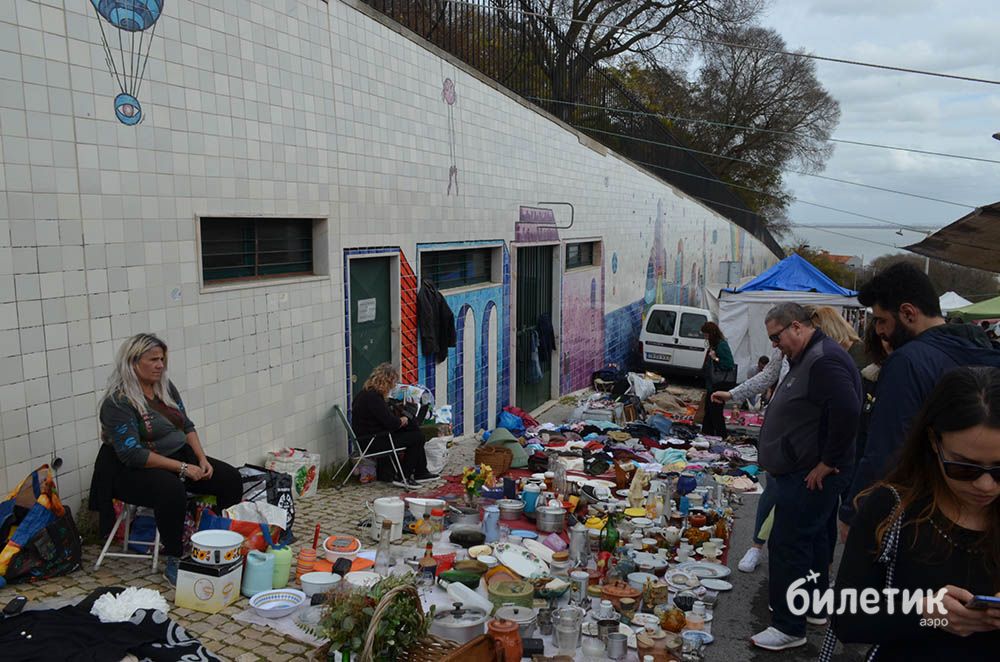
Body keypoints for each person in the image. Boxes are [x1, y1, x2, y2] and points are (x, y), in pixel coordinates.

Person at [831, 366, 1000, 658]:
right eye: (963, 467)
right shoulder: (891, 507)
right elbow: (846, 619)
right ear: (934, 441)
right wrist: (924, 613)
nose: (985, 485)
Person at [839, 263, 1000, 538]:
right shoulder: (982, 349)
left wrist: (854, 514)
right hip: (982, 516)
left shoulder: (908, 362)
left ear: (908, 313)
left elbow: (886, 449)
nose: (879, 330)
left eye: (881, 320)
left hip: (920, 516)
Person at [751, 303, 862, 651]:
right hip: (802, 470)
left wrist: (828, 462)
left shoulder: (824, 360)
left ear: (796, 327)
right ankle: (812, 607)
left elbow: (848, 410)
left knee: (788, 544)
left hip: (810, 474)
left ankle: (787, 626)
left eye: (776, 337)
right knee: (811, 541)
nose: (774, 345)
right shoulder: (809, 356)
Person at [89, 334, 243, 585]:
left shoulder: (165, 388)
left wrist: (202, 459)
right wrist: (183, 468)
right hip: (131, 470)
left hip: (177, 456)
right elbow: (132, 454)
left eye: (162, 359)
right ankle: (174, 559)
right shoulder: (118, 402)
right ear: (133, 362)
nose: (160, 365)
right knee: (171, 490)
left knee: (229, 478)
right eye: (153, 360)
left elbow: (187, 425)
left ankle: (218, 542)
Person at [351, 362, 437, 488]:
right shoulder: (373, 398)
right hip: (373, 441)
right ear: (387, 382)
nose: (393, 387)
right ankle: (404, 476)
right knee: (416, 437)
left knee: (414, 430)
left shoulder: (366, 394)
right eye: (393, 384)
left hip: (372, 436)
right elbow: (391, 423)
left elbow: (382, 419)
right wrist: (402, 420)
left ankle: (421, 471)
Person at [700, 321, 736, 439]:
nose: (705, 337)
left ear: (711, 333)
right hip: (712, 384)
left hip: (719, 385)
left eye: (706, 334)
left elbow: (729, 364)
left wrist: (715, 358)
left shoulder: (721, 345)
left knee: (715, 412)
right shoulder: (714, 345)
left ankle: (721, 435)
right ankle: (707, 434)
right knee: (709, 411)